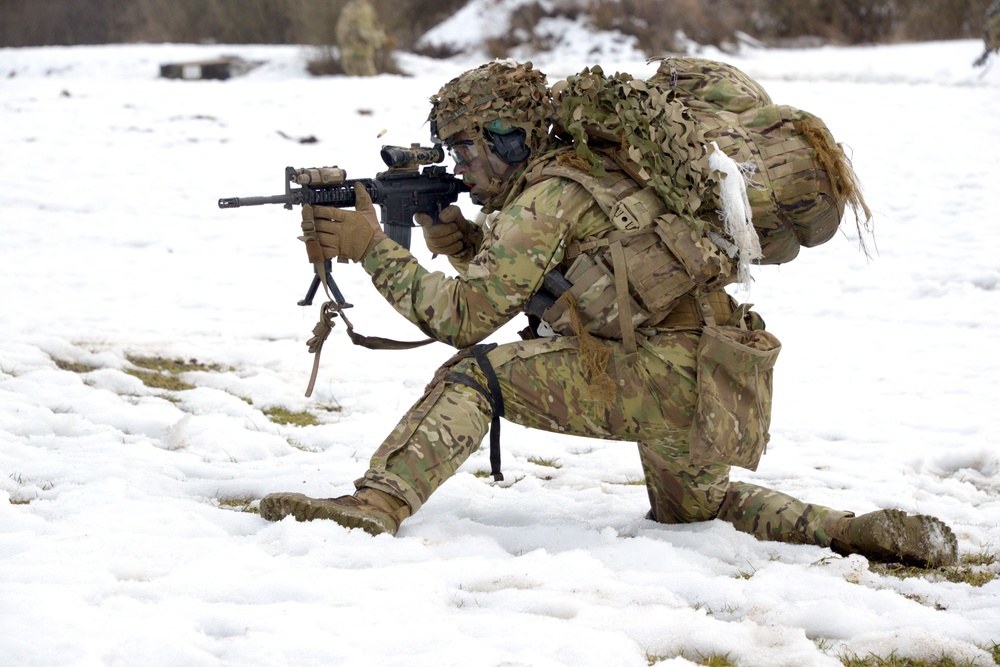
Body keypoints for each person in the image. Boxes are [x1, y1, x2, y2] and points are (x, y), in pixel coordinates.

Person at [260, 60, 959, 568]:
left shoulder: (547, 195)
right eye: (454, 149)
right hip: (709, 371)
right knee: (699, 509)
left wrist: (373, 249)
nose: (460, 164)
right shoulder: (588, 173)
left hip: (657, 369)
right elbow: (574, 286)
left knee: (474, 377)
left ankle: (376, 506)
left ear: (508, 138)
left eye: (469, 146)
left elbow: (465, 318)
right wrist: (466, 243)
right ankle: (850, 530)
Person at [335, 0, 386, 77]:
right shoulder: (363, 9)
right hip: (360, 57)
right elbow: (366, 33)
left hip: (348, 54)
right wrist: (384, 39)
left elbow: (340, 30)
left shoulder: (350, 6)